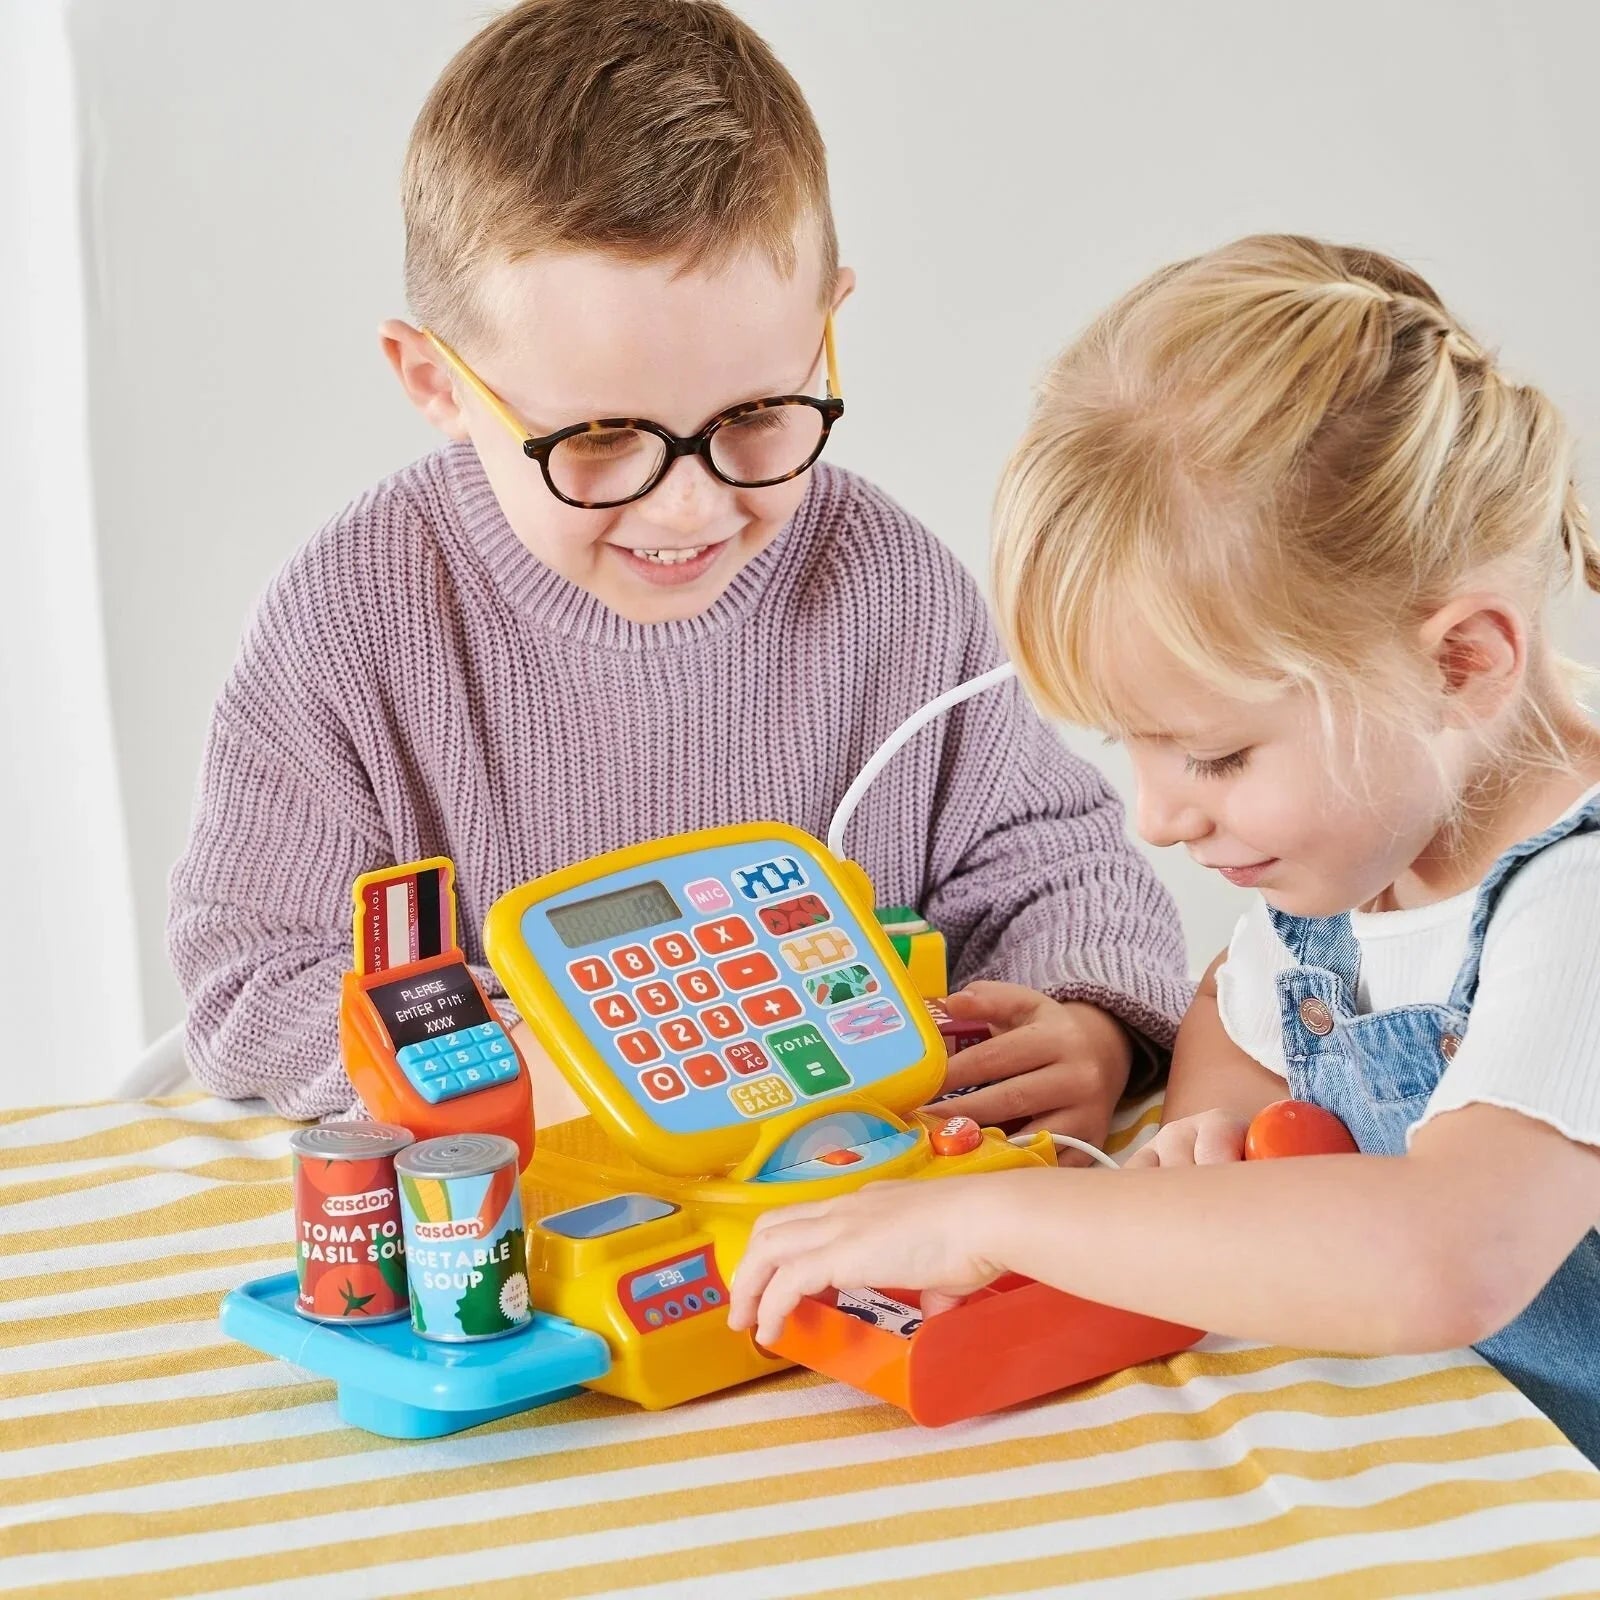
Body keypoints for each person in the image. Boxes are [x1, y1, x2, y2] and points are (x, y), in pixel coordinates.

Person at [168, 0, 1188, 1144]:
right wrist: (516, 1056)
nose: (690, 504)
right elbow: (252, 976)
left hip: (850, 1193)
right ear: (436, 382)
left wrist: (1087, 1022)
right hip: (531, 1206)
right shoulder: (350, 620)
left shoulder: (893, 590)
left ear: (828, 322)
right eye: (602, 437)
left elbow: (1056, 868)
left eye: (755, 416)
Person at [729, 234, 1600, 1463]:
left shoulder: (1574, 899)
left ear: (1461, 663)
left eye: (1216, 756)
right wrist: (1211, 1123)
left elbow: (1445, 1257)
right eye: (1130, 746)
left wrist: (1000, 1217)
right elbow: (1235, 999)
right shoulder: (1364, 848)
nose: (1155, 818)